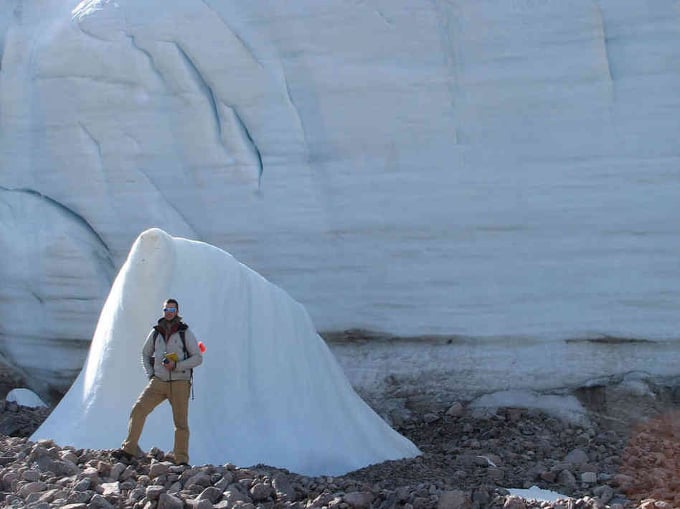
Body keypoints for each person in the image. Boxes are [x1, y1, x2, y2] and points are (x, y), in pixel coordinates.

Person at [115, 299, 203, 465]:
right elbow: (145, 354)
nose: (169, 311)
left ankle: (181, 460)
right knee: (138, 409)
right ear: (163, 311)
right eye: (166, 309)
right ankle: (128, 449)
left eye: (172, 309)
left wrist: (177, 366)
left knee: (180, 423)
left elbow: (198, 358)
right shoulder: (156, 332)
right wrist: (151, 374)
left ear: (177, 311)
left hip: (180, 382)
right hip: (159, 381)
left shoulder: (185, 332)